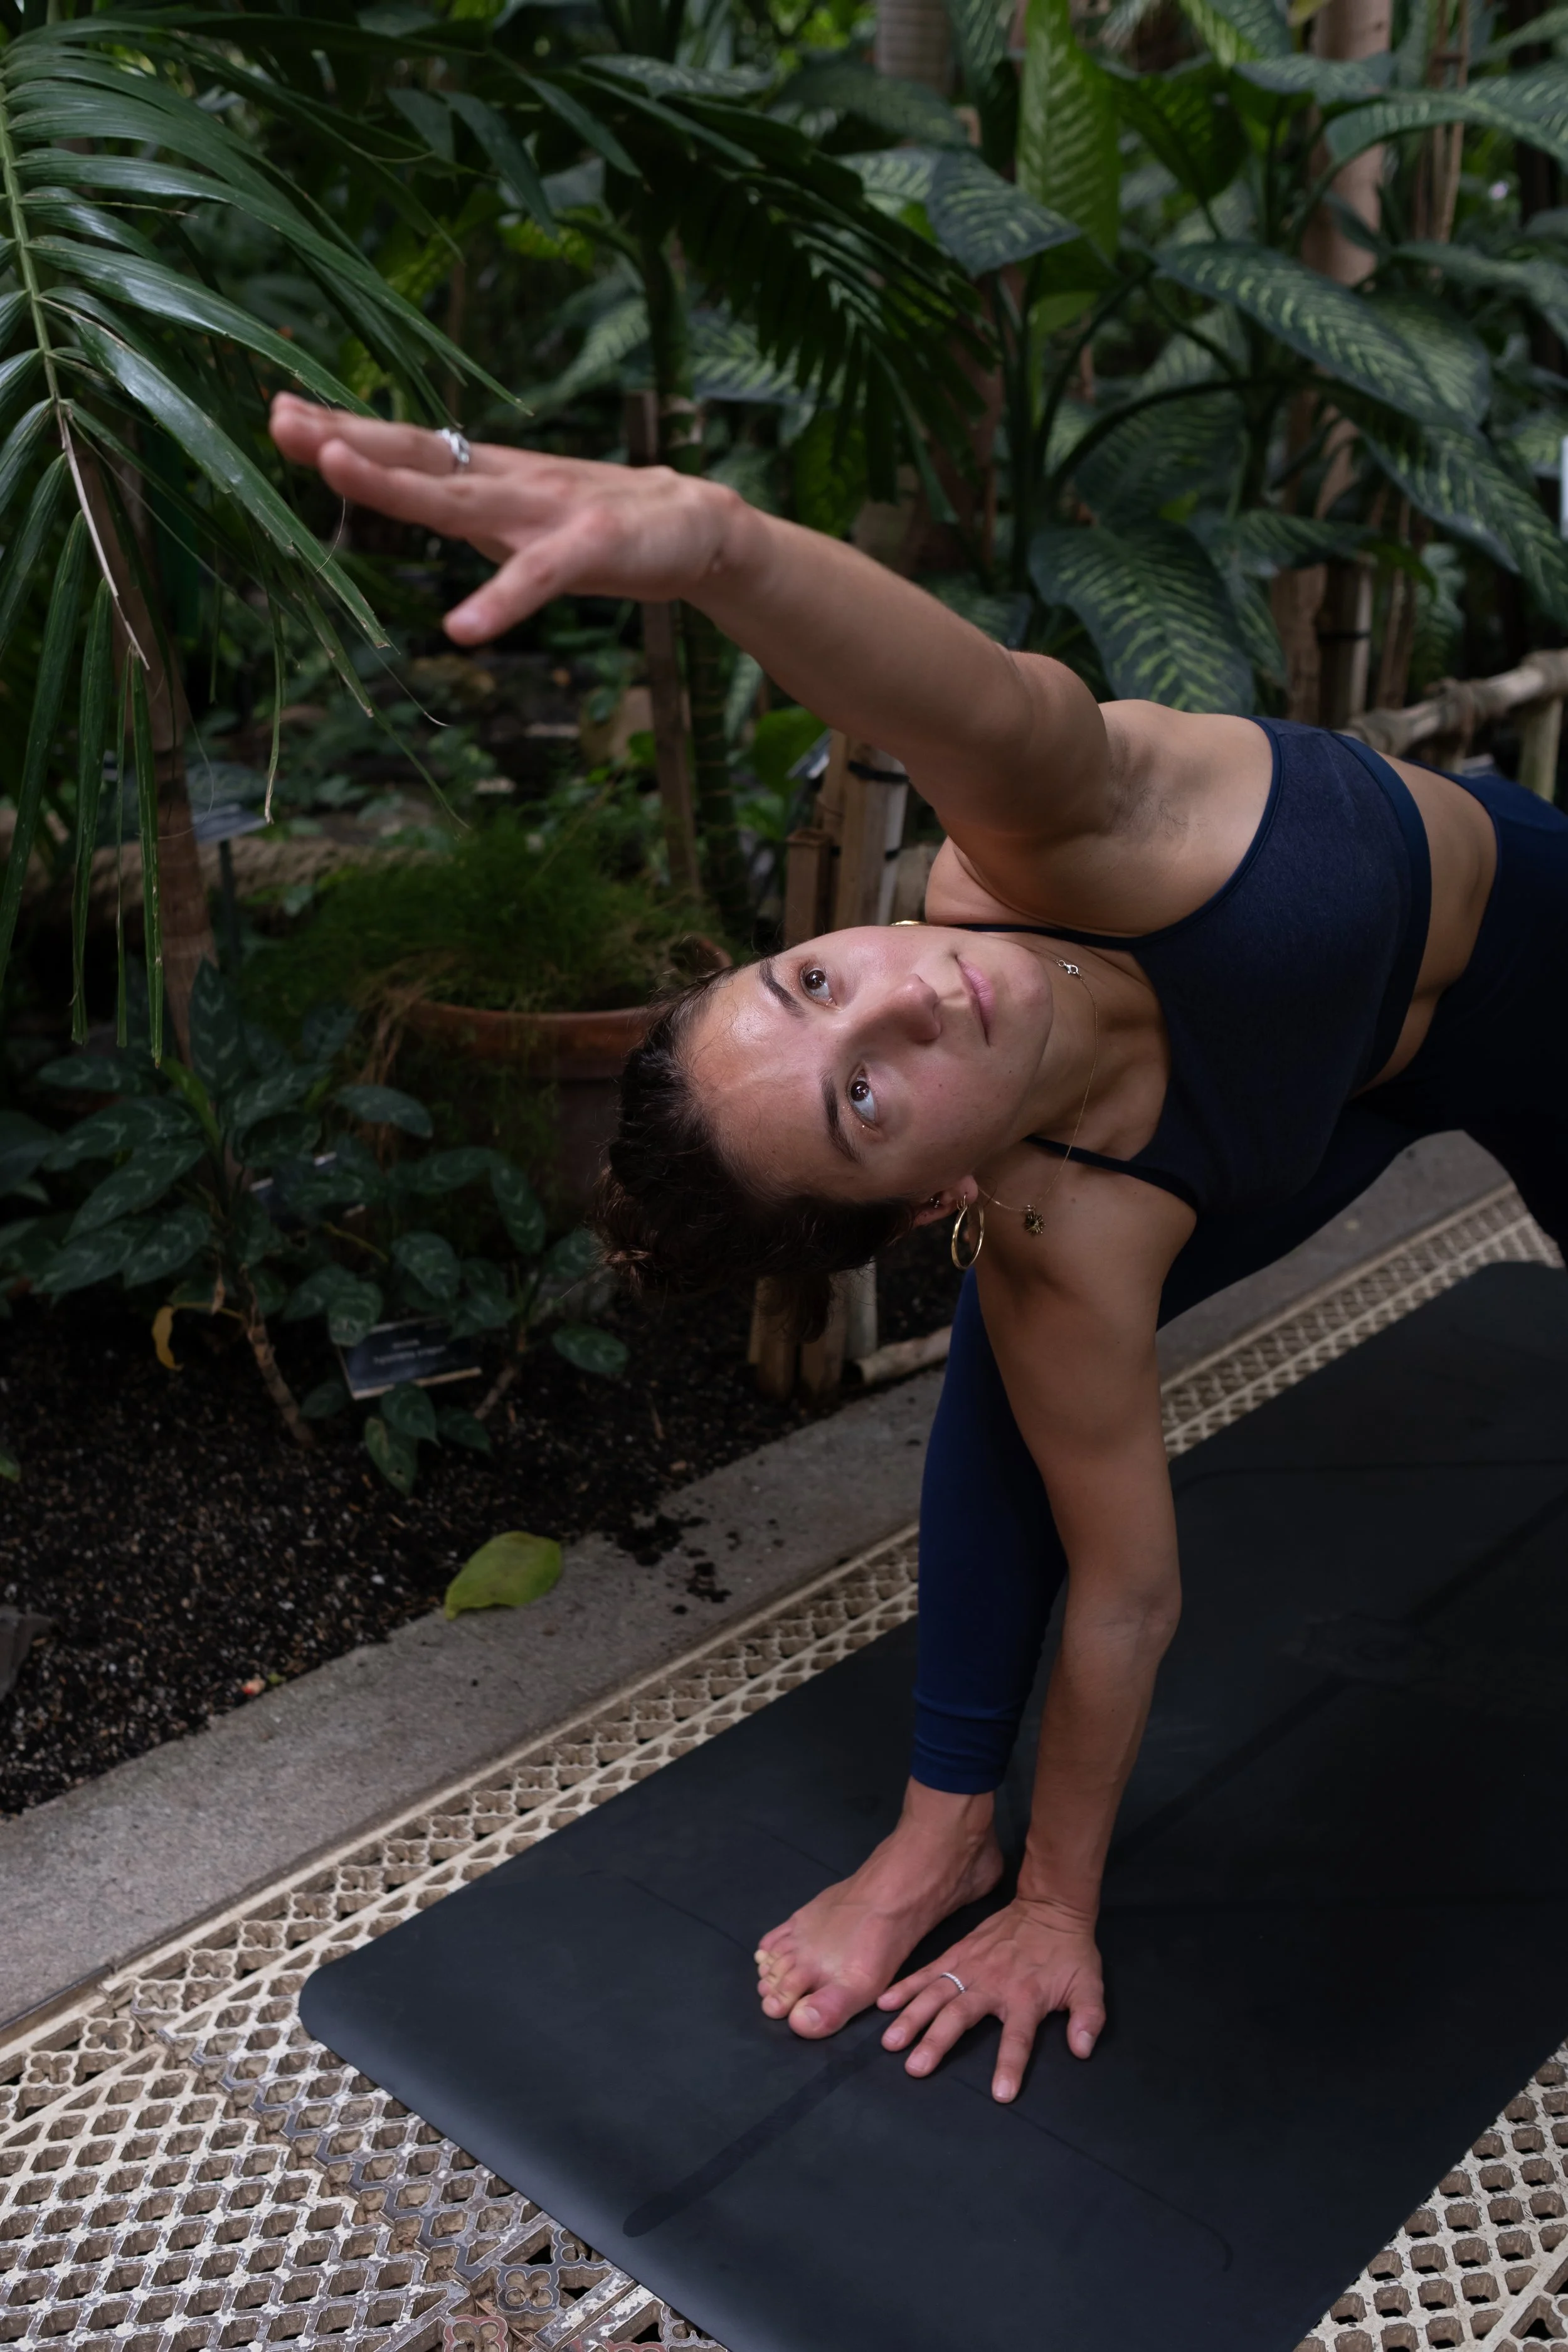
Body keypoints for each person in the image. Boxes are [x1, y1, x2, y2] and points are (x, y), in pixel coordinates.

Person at [270, 393, 1568, 2106]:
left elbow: (945, 688)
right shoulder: (1052, 1219)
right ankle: (954, 1844)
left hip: (1532, 988)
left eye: (811, 979)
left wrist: (716, 542)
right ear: (919, 1203)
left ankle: (942, 1830)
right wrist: (1056, 1904)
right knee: (1032, 1359)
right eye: (866, 1096)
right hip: (1280, 1115)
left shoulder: (1054, 827)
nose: (901, 990)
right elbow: (1128, 1593)